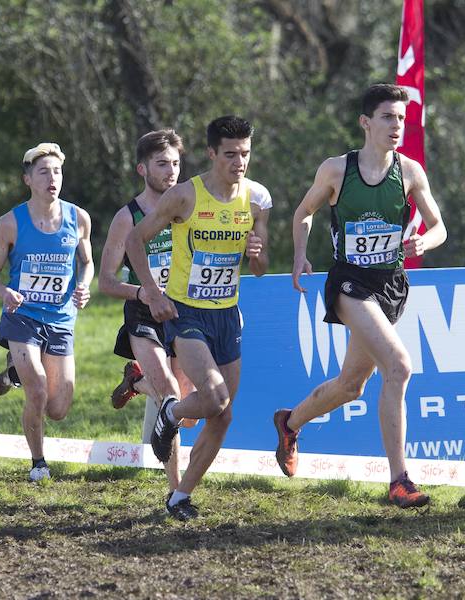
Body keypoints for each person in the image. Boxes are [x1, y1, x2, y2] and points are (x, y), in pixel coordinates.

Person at [273, 83, 447, 509]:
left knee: (351, 385)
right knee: (400, 366)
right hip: (349, 283)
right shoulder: (336, 170)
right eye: (388, 117)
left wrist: (426, 242)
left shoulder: (409, 172)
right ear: (366, 122)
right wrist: (300, 257)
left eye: (402, 119)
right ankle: (399, 481)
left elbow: (438, 225)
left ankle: (289, 423)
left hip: (389, 285)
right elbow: (303, 214)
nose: (397, 126)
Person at [125, 116, 270, 520]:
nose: (238, 162)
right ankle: (170, 414)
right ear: (211, 153)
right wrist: (151, 292)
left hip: (227, 314)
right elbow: (135, 240)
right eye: (230, 154)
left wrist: (257, 255)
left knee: (223, 415)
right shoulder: (185, 196)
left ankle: (180, 496)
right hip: (186, 313)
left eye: (245, 154)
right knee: (213, 397)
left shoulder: (256, 199)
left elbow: (259, 267)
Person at [0, 142, 93, 482]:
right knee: (39, 390)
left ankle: (14, 374)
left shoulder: (79, 218)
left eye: (57, 172)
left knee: (58, 408)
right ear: (27, 179)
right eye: (44, 172)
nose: (52, 178)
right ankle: (38, 463)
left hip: (61, 320)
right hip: (22, 317)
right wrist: (6, 292)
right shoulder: (10, 223)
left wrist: (84, 285)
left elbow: (87, 263)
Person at [98, 129, 196, 492]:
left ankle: (136, 381)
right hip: (144, 315)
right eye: (161, 164)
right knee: (170, 393)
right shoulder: (128, 217)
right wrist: (146, 293)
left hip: (184, 313)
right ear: (142, 169)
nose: (171, 171)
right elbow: (105, 282)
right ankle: (176, 491)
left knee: (185, 412)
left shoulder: (189, 205)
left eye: (175, 163)